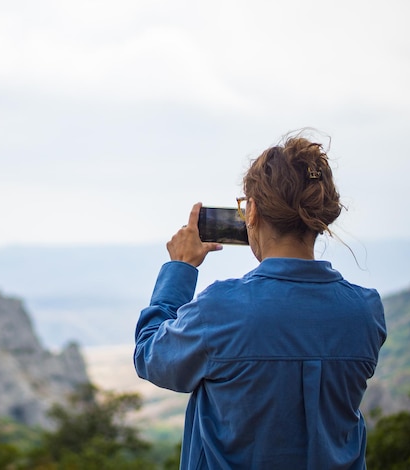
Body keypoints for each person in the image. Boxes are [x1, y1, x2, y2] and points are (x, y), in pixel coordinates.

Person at [133, 133, 387, 469]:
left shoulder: (222, 309)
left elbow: (150, 356)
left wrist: (179, 269)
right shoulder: (365, 312)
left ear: (251, 213)